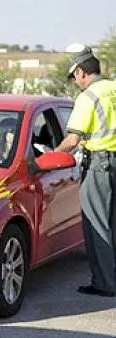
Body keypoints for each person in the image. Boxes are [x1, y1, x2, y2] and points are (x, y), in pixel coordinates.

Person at [54, 46, 116, 297]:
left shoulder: (88, 97)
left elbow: (72, 140)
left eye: (75, 77)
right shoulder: (114, 88)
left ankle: (104, 283)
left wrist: (50, 157)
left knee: (96, 224)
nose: (76, 82)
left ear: (80, 72)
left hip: (100, 165)